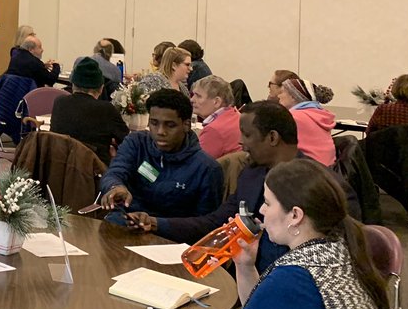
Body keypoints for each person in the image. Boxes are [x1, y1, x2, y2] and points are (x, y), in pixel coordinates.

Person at [208, 159, 387, 309]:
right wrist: (245, 266)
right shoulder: (342, 253)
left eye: (268, 203)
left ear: (295, 215)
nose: (261, 210)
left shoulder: (294, 279)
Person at [127, 102, 363, 272]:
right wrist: (156, 223)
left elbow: (343, 257)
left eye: (247, 135)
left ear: (272, 138)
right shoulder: (252, 174)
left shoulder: (326, 188)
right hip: (244, 274)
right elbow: (216, 221)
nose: (240, 142)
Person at [100, 88, 223, 222]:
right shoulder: (136, 143)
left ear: (186, 125)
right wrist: (115, 186)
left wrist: (157, 224)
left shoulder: (206, 168)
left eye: (170, 125)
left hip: (171, 232)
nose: (160, 131)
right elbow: (114, 172)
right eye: (154, 123)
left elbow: (205, 224)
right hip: (125, 221)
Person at [49, 58, 129, 164]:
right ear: (101, 88)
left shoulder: (59, 102)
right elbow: (127, 141)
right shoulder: (106, 109)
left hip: (59, 166)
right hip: (94, 169)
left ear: (73, 84)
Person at [273, 77, 336, 166]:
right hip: (327, 169)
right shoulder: (319, 114)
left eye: (282, 92)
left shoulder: (293, 117)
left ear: (293, 96)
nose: (278, 96)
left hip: (306, 169)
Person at [191, 75, 242, 159]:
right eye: (193, 95)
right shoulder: (236, 115)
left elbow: (195, 163)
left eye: (198, 96)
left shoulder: (213, 131)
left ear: (216, 102)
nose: (192, 99)